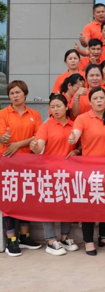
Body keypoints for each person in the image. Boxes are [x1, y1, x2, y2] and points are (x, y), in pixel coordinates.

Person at [68, 87, 105, 256]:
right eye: (95, 98)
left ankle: (104, 237)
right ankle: (88, 241)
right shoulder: (83, 118)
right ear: (90, 102)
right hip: (89, 170)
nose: (99, 101)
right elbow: (76, 133)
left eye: (101, 98)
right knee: (89, 206)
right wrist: (73, 138)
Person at [28, 94, 80, 256]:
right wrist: (35, 146)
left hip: (69, 172)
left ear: (66, 107)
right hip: (49, 172)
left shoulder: (74, 125)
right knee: (49, 205)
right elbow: (39, 146)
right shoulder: (47, 126)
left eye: (58, 106)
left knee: (68, 204)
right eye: (52, 107)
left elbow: (80, 146)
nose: (55, 109)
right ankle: (50, 241)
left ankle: (65, 237)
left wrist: (76, 151)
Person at [0, 80, 43, 256]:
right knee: (9, 200)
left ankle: (25, 237)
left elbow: (38, 136)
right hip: (8, 163)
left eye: (18, 92)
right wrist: (3, 139)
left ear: (25, 94)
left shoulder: (34, 114)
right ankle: (12, 240)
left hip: (27, 163)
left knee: (26, 199)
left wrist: (17, 144)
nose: (15, 96)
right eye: (12, 93)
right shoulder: (3, 113)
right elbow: (2, 136)